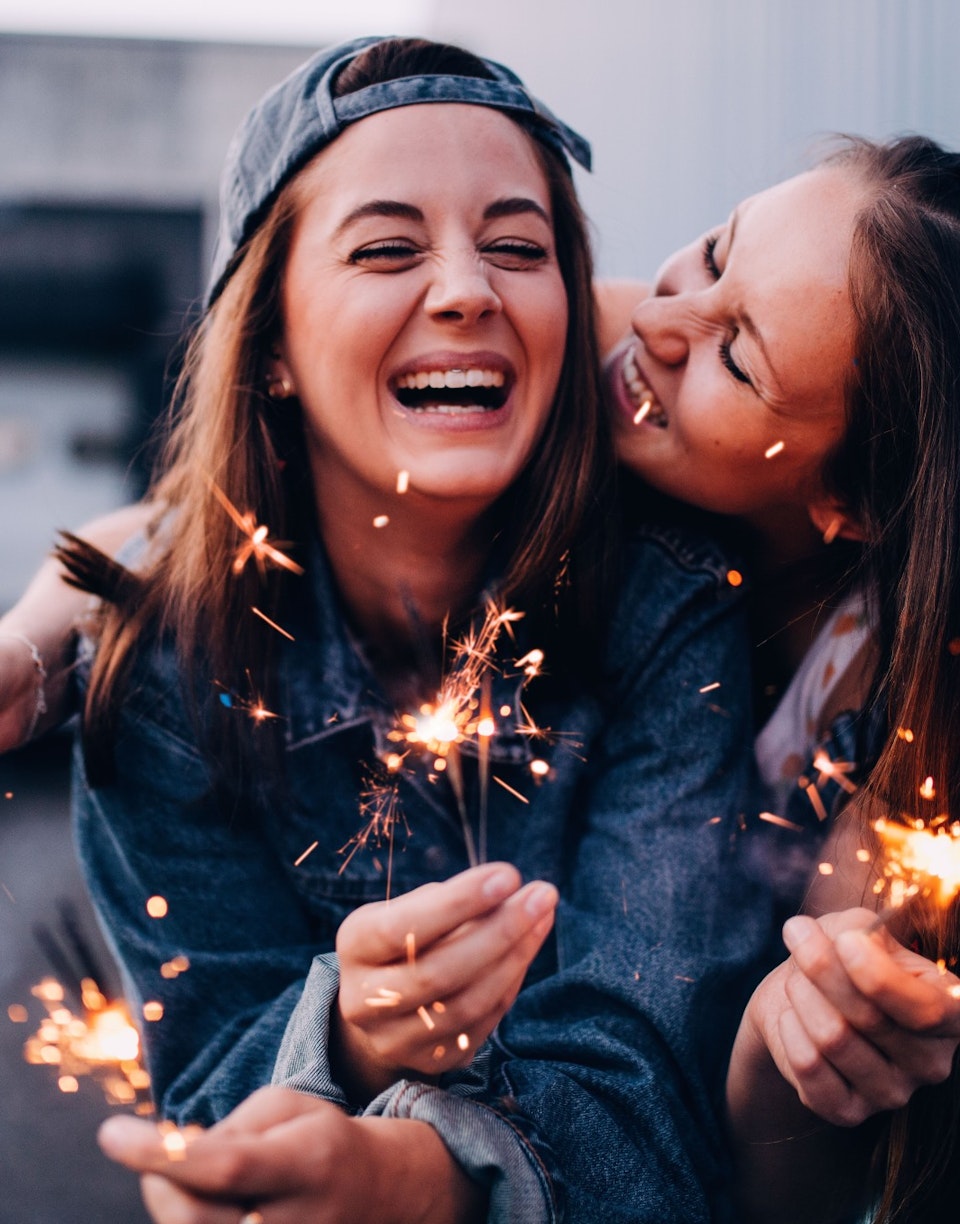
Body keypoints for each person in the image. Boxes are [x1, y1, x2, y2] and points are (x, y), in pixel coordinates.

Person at [7, 36, 766, 1224]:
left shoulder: (671, 610)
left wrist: (419, 1183)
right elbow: (209, 1102)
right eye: (387, 249)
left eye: (520, 248)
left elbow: (660, 1104)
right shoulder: (161, 675)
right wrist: (346, 1038)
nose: (469, 289)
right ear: (268, 350)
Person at [598, 136, 960, 1223]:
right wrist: (54, 633)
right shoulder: (621, 342)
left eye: (739, 360)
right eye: (715, 250)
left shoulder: (897, 759)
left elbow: (787, 1197)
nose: (660, 322)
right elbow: (211, 512)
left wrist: (789, 1040)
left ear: (851, 503)